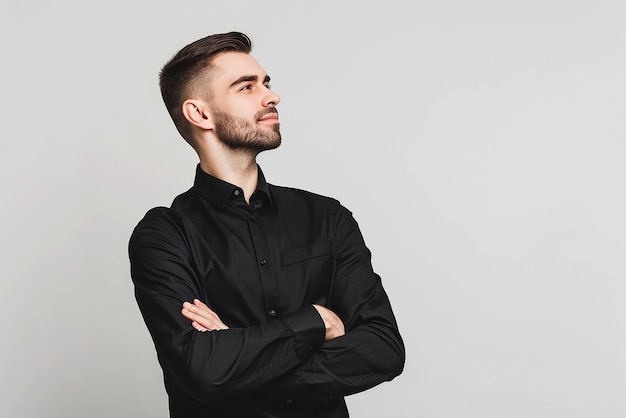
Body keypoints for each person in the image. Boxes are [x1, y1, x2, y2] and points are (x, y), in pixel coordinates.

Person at [128, 31, 405, 418]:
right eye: (246, 87)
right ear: (200, 113)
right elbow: (201, 370)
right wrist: (314, 321)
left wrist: (238, 361)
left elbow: (383, 349)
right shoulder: (164, 235)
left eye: (266, 83)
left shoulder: (327, 218)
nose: (271, 96)